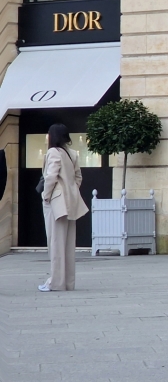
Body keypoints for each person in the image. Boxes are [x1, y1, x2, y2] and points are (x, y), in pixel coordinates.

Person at [39, 124, 88, 292]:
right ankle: (67, 282)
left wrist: (46, 195)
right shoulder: (72, 153)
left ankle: (55, 283)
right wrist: (71, 190)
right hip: (71, 202)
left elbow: (50, 177)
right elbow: (78, 177)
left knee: (56, 243)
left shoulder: (53, 152)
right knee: (68, 246)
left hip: (56, 203)